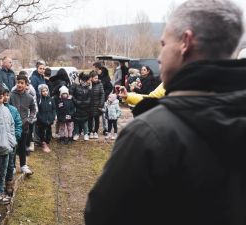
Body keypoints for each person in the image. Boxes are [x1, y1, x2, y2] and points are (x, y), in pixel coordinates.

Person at [85, 1, 246, 225]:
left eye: (163, 44)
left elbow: (102, 216)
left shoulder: (147, 135)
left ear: (185, 42)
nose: (159, 57)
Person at [9, 75, 36, 174]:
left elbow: (33, 109)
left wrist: (29, 119)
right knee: (12, 147)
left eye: (22, 83)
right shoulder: (11, 95)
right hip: (12, 126)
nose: (19, 85)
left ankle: (23, 165)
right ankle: (12, 167)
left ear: (26, 84)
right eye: (18, 82)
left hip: (24, 126)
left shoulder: (29, 97)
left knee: (22, 146)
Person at [2, 88, 22, 196]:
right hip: (0, 143)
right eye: (3, 95)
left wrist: (16, 136)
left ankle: (9, 183)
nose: (5, 97)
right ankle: (0, 186)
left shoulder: (13, 110)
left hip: (11, 142)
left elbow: (18, 124)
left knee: (10, 164)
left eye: (7, 95)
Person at [71, 72, 91, 141]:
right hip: (77, 107)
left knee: (85, 121)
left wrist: (86, 103)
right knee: (76, 121)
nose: (89, 81)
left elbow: (89, 97)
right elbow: (71, 94)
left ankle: (86, 134)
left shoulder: (88, 87)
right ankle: (76, 133)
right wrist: (76, 101)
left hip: (85, 107)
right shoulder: (76, 86)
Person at [36, 84, 56, 153]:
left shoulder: (51, 99)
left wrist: (52, 117)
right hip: (41, 120)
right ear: (40, 92)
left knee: (48, 131)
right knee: (41, 131)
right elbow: (37, 111)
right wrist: (41, 119)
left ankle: (47, 142)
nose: (45, 92)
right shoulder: (39, 100)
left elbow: (53, 109)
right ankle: (43, 143)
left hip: (49, 120)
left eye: (46, 90)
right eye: (43, 91)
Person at [88, 71, 105, 139]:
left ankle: (95, 132)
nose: (96, 79)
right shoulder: (88, 84)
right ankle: (90, 131)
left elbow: (102, 94)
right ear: (91, 78)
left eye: (97, 78)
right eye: (95, 78)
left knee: (97, 119)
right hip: (89, 105)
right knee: (90, 119)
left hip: (97, 105)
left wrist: (101, 104)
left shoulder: (100, 84)